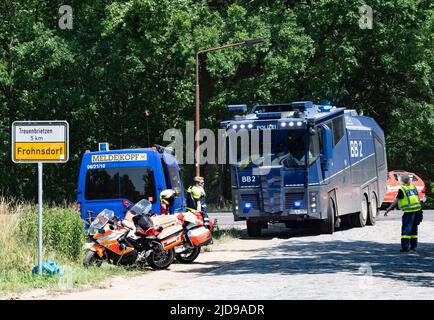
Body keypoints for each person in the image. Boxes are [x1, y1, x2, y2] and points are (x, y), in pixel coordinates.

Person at [384, 173, 423, 252]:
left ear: (401, 181)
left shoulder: (402, 189)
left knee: (406, 229)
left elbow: (396, 201)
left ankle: (405, 247)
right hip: (417, 210)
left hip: (409, 212)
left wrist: (388, 209)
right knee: (414, 229)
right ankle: (413, 246)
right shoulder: (413, 187)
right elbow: (418, 199)